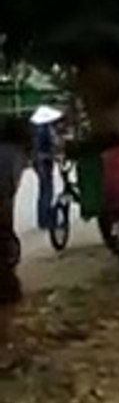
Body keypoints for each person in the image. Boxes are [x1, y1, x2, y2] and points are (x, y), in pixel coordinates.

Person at [0, 116, 28, 363]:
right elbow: (5, 198)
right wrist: (8, 235)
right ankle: (4, 347)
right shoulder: (13, 156)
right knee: (8, 290)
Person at [30, 106, 62, 231]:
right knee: (46, 189)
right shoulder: (43, 129)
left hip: (40, 161)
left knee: (45, 188)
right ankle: (45, 219)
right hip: (43, 161)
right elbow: (42, 149)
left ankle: (43, 218)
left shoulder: (37, 128)